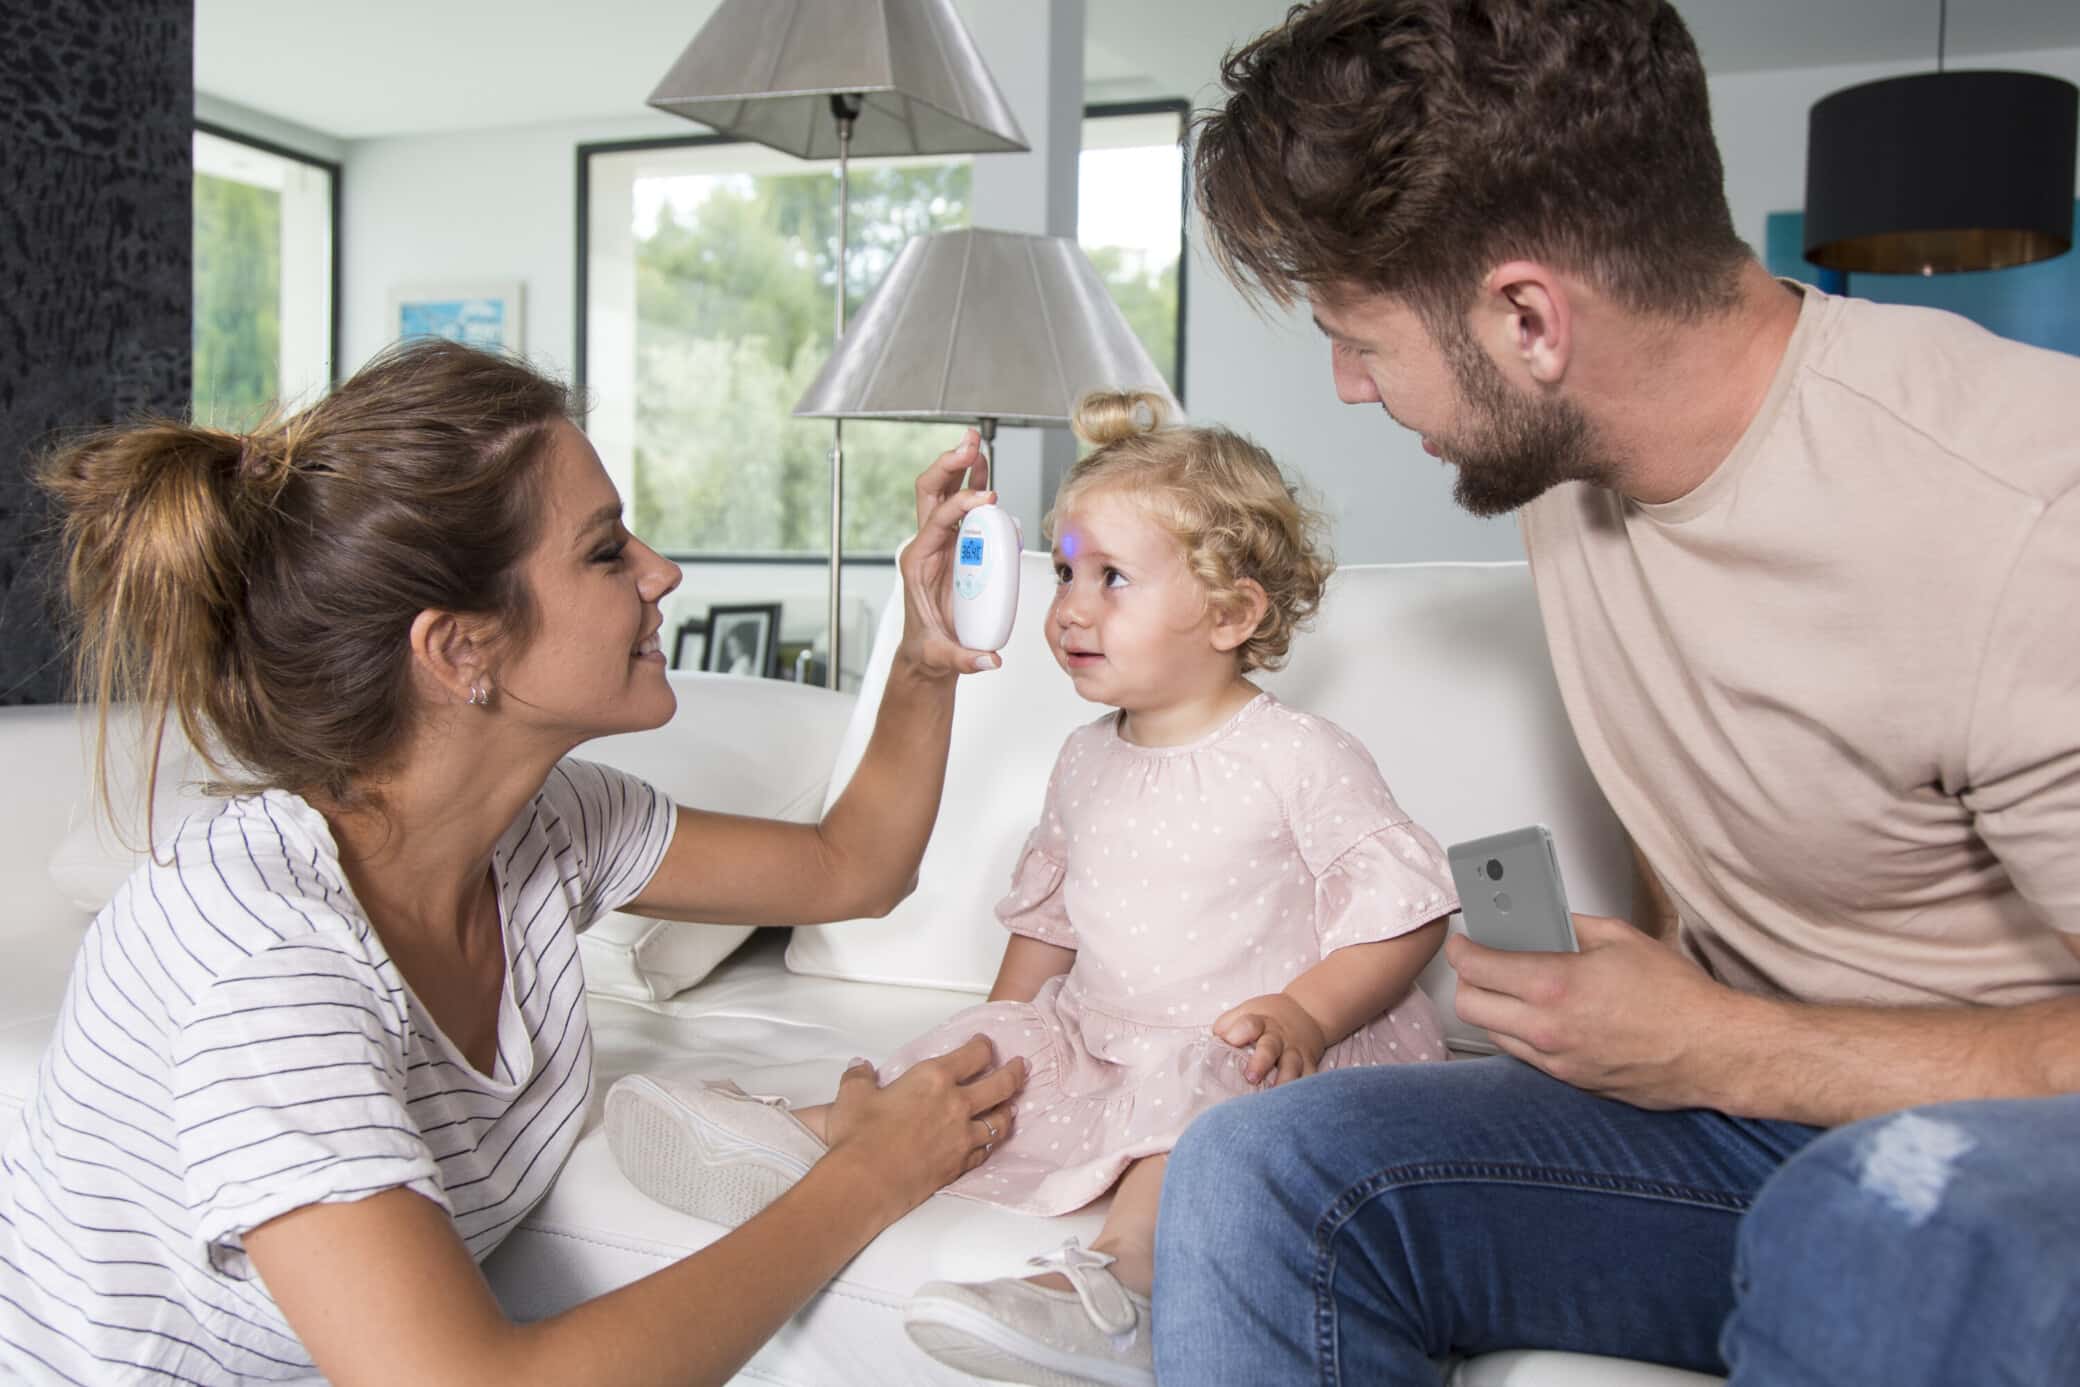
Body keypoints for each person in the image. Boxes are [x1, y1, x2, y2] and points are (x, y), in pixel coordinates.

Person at [1155, 1, 2080, 1384]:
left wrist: (1723, 1044)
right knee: (1261, 1168)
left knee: (1870, 1228)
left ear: (1529, 318)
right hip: (1755, 1123)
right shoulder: (1564, 452)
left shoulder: (2026, 517)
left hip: (1998, 1156)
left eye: (1360, 338)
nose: (1347, 385)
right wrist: (1653, 1002)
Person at [0, 338, 1028, 1386]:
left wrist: (922, 656)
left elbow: (851, 866)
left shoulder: (546, 827)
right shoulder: (269, 965)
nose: (662, 573)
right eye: (606, 551)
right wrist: (869, 1176)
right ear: (461, 650)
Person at [601, 391, 1458, 1387]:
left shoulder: (1296, 753)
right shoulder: (1085, 756)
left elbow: (1407, 910)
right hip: (1108, 1039)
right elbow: (1050, 920)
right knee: (981, 1055)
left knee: (1202, 1115)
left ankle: (1122, 1288)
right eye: (1064, 572)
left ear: (1231, 613)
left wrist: (1306, 1014)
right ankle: (805, 1135)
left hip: (1256, 1048)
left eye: (1112, 577)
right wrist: (999, 1030)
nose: (1072, 608)